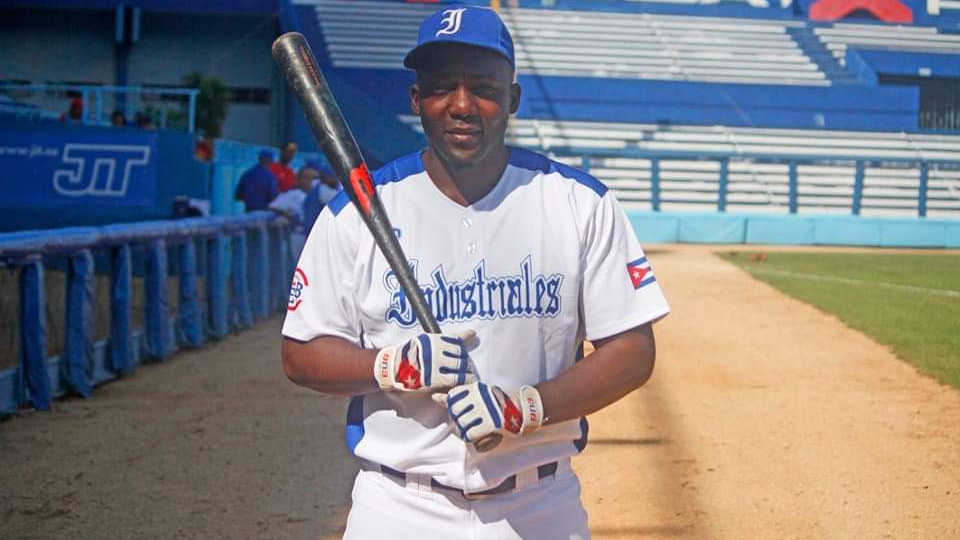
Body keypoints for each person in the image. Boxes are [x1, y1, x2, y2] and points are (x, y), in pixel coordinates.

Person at [280, 7, 669, 539]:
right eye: (442, 88)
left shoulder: (580, 204)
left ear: (511, 98)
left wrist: (528, 406)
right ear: (418, 101)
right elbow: (301, 354)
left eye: (483, 88)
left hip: (540, 504)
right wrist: (392, 367)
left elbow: (632, 350)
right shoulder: (356, 213)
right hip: (398, 505)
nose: (461, 105)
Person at [269, 161, 321, 255]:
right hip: (298, 235)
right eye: (307, 178)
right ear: (299, 179)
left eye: (313, 179)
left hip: (316, 236)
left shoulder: (319, 195)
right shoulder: (292, 195)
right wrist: (286, 213)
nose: (310, 182)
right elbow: (273, 206)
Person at [300, 161, 339, 234]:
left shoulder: (316, 188)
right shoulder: (322, 189)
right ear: (325, 176)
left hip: (311, 231)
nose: (335, 179)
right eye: (331, 176)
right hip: (314, 231)